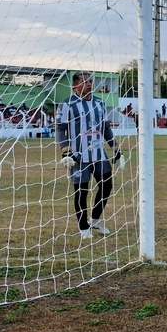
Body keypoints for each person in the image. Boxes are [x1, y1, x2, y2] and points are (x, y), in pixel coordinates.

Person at [56, 72, 122, 239]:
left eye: (91, 81)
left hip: (99, 154)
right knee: (81, 191)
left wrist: (115, 147)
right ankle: (83, 227)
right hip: (78, 157)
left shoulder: (100, 103)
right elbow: (60, 129)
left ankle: (94, 219)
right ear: (75, 86)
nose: (89, 84)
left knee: (106, 186)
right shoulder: (67, 105)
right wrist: (66, 150)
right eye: (85, 82)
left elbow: (106, 128)